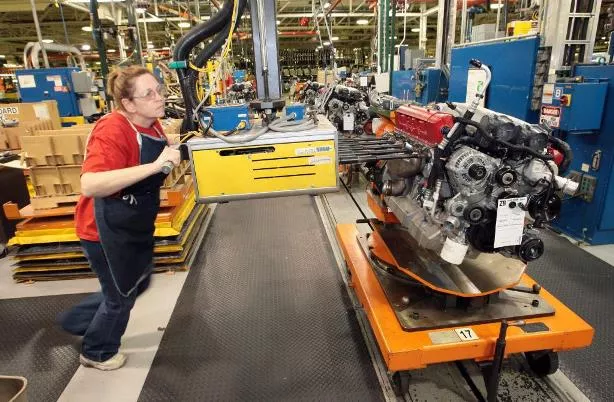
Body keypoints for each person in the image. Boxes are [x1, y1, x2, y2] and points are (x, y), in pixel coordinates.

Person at [58, 66, 181, 370]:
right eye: (148, 94)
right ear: (128, 104)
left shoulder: (151, 125)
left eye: (159, 90)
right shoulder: (112, 128)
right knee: (120, 297)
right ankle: (97, 351)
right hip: (103, 228)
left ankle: (79, 320)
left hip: (133, 221)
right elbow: (91, 184)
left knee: (136, 282)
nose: (159, 98)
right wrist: (156, 166)